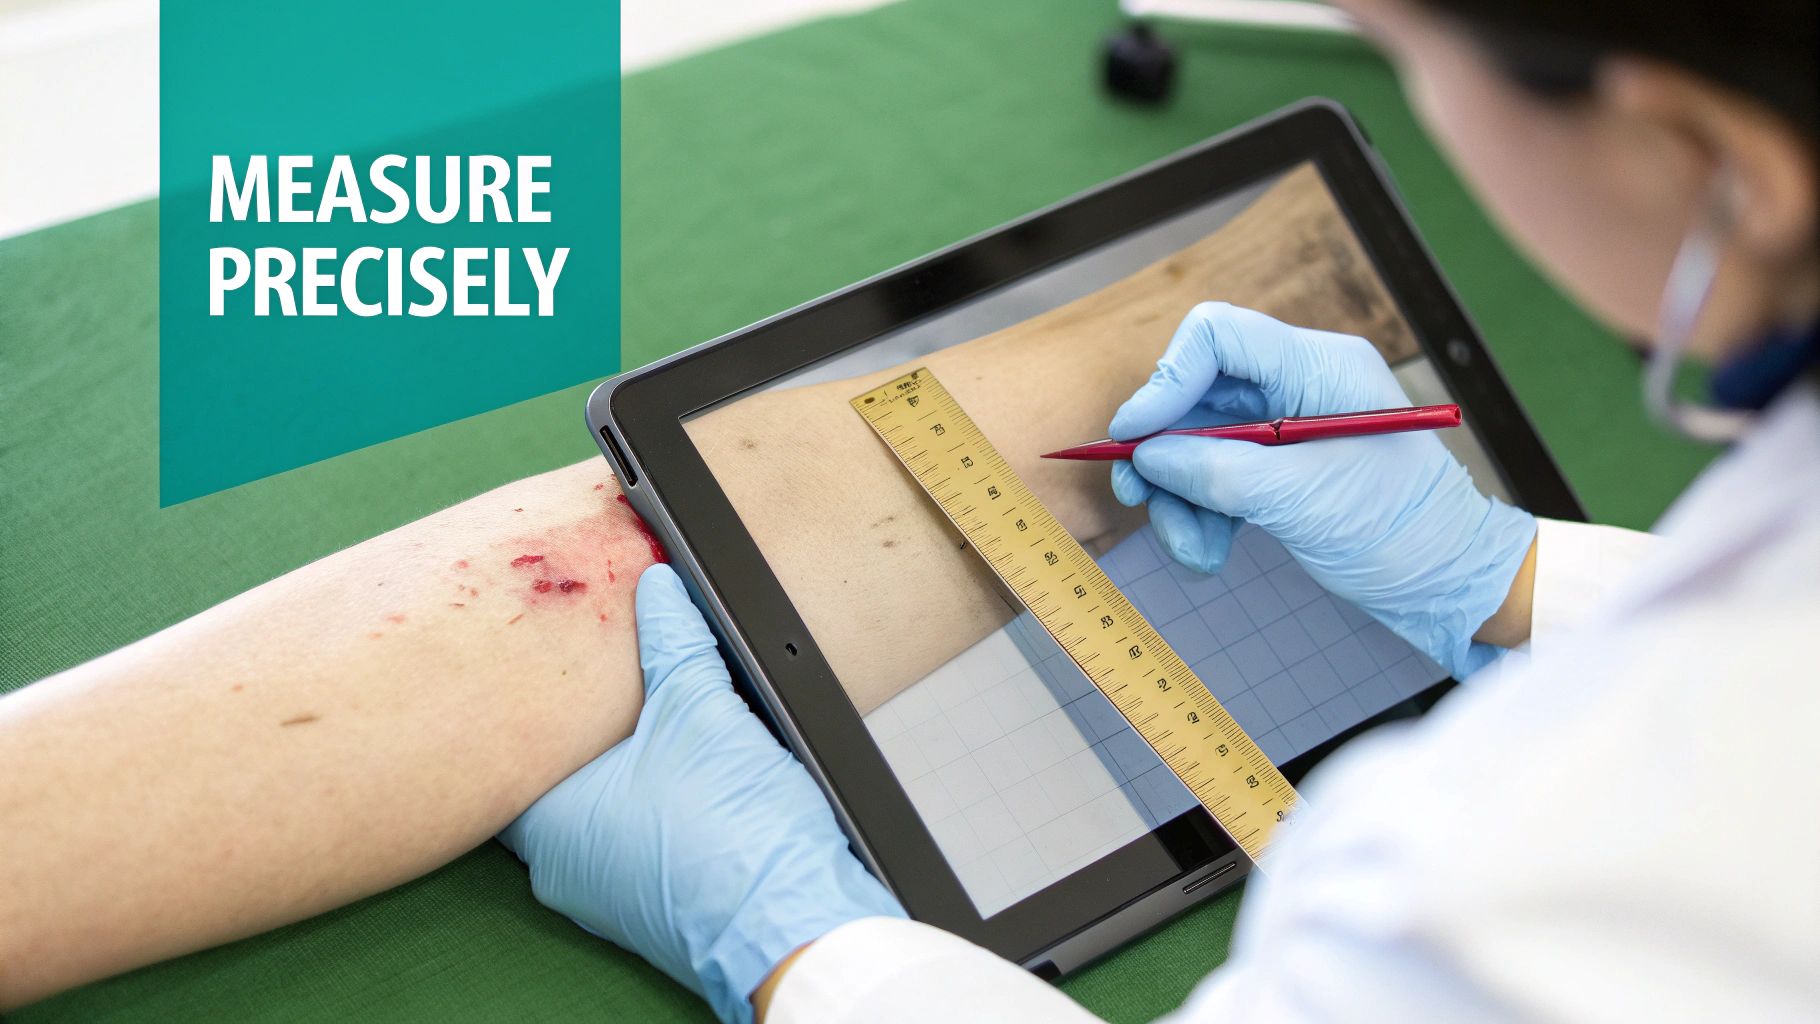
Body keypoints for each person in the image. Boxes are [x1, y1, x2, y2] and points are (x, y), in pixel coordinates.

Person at [497, 0, 1820, 1022]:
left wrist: (796, 947)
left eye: (1411, 54)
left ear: (1719, 160)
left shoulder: (1508, 870)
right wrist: (1515, 575)